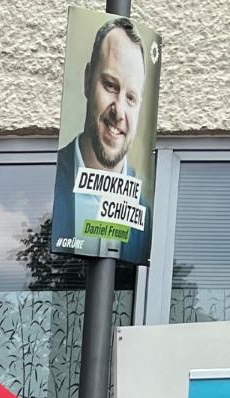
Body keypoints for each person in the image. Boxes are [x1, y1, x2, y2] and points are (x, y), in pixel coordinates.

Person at [54, 15, 151, 259]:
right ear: (88, 80)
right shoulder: (50, 179)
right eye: (110, 85)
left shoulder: (145, 215)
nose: (118, 111)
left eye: (131, 98)